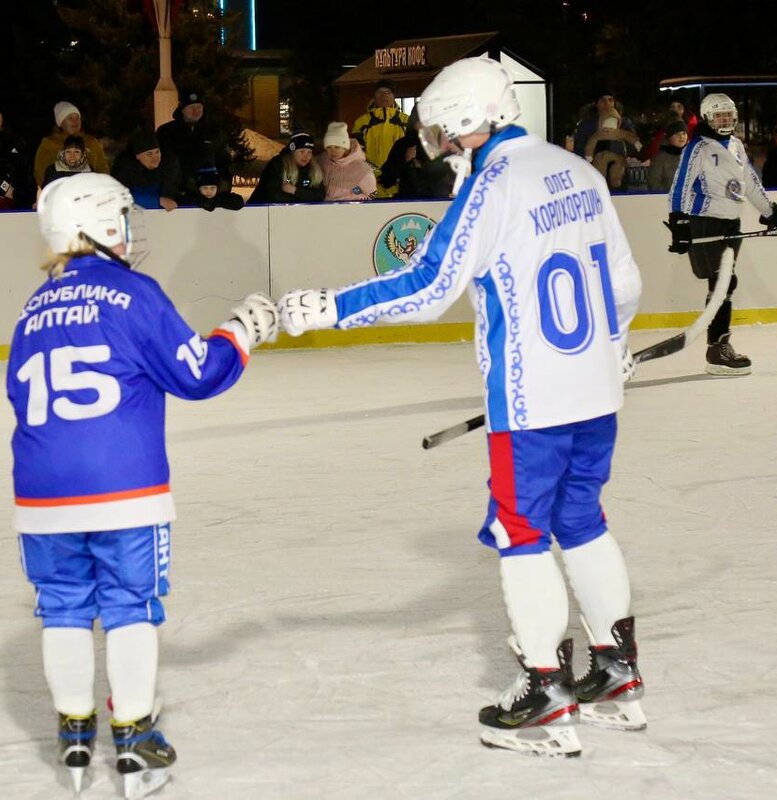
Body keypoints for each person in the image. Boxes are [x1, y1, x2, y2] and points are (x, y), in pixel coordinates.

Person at [277, 56, 646, 757]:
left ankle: (545, 690)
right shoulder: (581, 171)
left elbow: (426, 285)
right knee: (583, 520)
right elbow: (623, 284)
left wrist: (329, 307)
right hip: (595, 389)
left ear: (472, 122)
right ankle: (616, 672)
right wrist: (611, 348)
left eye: (446, 132)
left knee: (523, 532)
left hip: (531, 397)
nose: (443, 145)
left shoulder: (493, 186)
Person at [7, 172, 278, 796]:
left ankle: (74, 734)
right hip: (122, 488)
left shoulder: (33, 306)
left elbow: (17, 394)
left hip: (42, 491)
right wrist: (242, 330)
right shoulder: (133, 293)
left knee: (64, 609)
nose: (133, 229)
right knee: (129, 608)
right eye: (124, 217)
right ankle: (131, 734)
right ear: (100, 226)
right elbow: (199, 374)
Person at [668, 93, 777, 375]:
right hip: (705, 222)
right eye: (718, 116)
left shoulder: (736, 145)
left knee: (724, 284)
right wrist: (679, 223)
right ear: (707, 117)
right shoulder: (698, 147)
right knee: (723, 282)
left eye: (728, 115)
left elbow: (751, 185)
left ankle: (717, 346)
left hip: (731, 224)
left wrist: (775, 214)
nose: (724, 120)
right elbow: (679, 187)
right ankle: (718, 349)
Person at [156, 90, 234, 207]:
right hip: (175, 196)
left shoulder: (215, 133)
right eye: (191, 107)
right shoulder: (167, 132)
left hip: (207, 194)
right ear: (182, 109)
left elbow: (224, 162)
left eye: (199, 107)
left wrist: (221, 188)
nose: (196, 111)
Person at [351, 80, 410, 198]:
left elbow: (411, 151)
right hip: (371, 184)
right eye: (380, 92)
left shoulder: (406, 121)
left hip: (400, 184)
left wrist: (395, 173)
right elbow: (356, 154)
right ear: (374, 96)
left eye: (388, 92)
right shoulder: (362, 122)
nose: (384, 96)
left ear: (393, 96)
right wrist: (377, 173)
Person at [34, 101, 110, 188]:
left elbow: (103, 169)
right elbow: (40, 172)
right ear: (61, 122)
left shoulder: (92, 142)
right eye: (70, 118)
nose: (75, 121)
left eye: (77, 118)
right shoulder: (49, 144)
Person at [247, 131, 325, 205]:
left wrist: (295, 191)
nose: (306, 156)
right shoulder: (278, 165)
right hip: (260, 212)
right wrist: (305, 197)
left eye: (309, 152)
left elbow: (319, 195)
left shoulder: (312, 168)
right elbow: (272, 195)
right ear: (292, 152)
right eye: (301, 151)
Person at [110, 128, 168, 210]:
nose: (155, 158)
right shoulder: (124, 168)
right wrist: (156, 201)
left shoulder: (166, 167)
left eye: (157, 152)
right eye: (149, 154)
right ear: (137, 156)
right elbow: (119, 196)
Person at [317, 122, 376, 202]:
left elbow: (372, 195)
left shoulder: (362, 169)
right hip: (327, 210)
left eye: (337, 147)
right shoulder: (323, 161)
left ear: (345, 148)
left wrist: (351, 199)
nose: (332, 151)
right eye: (329, 147)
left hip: (352, 211)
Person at [647, 118, 688, 191]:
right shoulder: (660, 158)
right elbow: (653, 183)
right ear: (669, 137)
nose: (681, 137)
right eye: (677, 134)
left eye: (684, 133)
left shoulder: (692, 154)